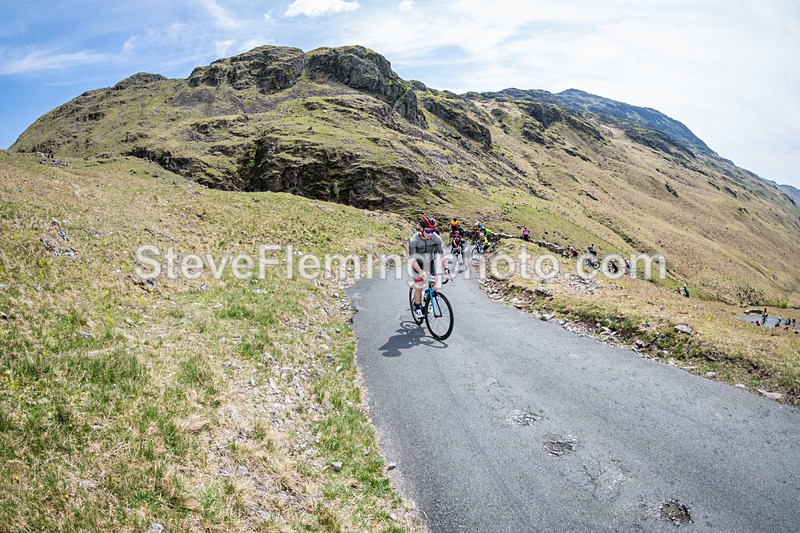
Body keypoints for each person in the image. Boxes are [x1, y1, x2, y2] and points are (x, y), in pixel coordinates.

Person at [409, 217, 450, 320]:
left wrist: (446, 268)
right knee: (419, 286)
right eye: (428, 230)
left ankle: (428, 296)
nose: (430, 233)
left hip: (429, 262)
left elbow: (442, 254)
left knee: (435, 284)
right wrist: (421, 272)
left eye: (433, 230)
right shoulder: (414, 240)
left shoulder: (436, 238)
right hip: (417, 264)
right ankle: (417, 306)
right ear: (421, 228)